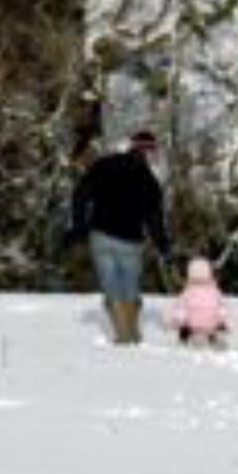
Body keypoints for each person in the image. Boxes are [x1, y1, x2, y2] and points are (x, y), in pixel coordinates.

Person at [68, 130, 170, 344]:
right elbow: (155, 218)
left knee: (111, 286)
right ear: (150, 152)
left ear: (131, 146)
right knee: (129, 287)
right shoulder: (150, 181)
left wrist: (79, 228)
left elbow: (80, 195)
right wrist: (162, 244)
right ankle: (130, 333)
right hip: (131, 240)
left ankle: (124, 334)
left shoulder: (104, 165)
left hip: (101, 235)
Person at [166, 256, 231, 348]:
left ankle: (196, 340)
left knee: (192, 332)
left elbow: (181, 309)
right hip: (212, 323)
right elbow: (222, 308)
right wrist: (223, 322)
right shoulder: (214, 291)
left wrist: (178, 321)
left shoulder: (188, 291)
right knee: (212, 329)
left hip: (193, 324)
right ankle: (214, 338)